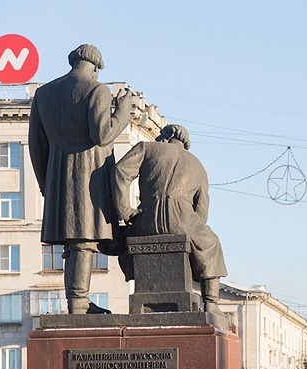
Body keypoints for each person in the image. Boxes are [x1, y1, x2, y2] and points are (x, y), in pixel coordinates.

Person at [28, 44, 135, 314]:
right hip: (88, 176)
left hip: (57, 176)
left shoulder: (44, 93)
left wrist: (46, 185)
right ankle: (78, 304)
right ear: (96, 67)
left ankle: (79, 301)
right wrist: (122, 111)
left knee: (75, 244)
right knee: (83, 241)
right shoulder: (97, 90)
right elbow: (103, 135)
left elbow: (36, 146)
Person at [112, 124, 228, 314]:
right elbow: (202, 210)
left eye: (160, 135)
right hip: (184, 222)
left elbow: (120, 172)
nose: (158, 138)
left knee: (117, 237)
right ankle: (211, 302)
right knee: (212, 243)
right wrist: (190, 228)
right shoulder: (198, 165)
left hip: (145, 221)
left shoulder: (146, 148)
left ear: (168, 135)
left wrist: (124, 211)